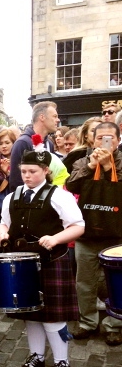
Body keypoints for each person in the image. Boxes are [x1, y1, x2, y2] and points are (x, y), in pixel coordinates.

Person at [0, 149, 84, 367]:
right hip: (23, 264)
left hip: (51, 261)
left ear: (46, 171)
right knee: (31, 316)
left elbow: (77, 226)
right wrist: (3, 232)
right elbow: (5, 223)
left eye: (33, 171)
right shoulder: (12, 196)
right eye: (23, 171)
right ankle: (36, 356)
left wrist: (56, 239)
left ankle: (61, 361)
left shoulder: (59, 196)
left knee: (53, 318)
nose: (27, 176)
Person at [66, 121, 122, 345]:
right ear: (91, 139)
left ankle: (114, 323)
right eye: (100, 138)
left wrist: (109, 168)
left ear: (118, 140)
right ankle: (88, 322)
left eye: (110, 138)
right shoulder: (82, 160)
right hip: (87, 233)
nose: (104, 142)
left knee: (116, 283)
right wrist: (91, 167)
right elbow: (72, 185)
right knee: (85, 281)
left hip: (117, 234)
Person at [9, 101, 59, 190]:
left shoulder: (49, 143)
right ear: (42, 117)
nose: (58, 120)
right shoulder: (23, 143)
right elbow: (16, 181)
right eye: (54, 116)